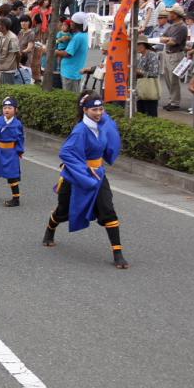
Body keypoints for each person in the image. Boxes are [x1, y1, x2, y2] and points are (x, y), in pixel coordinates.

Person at [41, 92, 129, 269]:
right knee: (64, 210)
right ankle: (49, 230)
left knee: (108, 209)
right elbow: (66, 152)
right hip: (76, 176)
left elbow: (110, 136)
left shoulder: (102, 124)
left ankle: (118, 253)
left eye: (101, 109)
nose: (99, 113)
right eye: (94, 110)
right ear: (85, 110)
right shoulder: (80, 131)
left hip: (98, 175)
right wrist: (85, 169)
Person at [160, 4, 188, 111]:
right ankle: (172, 100)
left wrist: (167, 39)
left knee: (174, 79)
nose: (169, 14)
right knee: (168, 78)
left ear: (176, 15)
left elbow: (173, 42)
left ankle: (175, 102)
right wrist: (167, 39)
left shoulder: (182, 27)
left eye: (171, 13)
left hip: (175, 54)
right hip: (168, 53)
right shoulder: (172, 26)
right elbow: (162, 37)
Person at [56, 12, 89, 92]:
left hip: (71, 73)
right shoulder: (81, 35)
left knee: (70, 96)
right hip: (72, 72)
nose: (70, 23)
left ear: (76, 24)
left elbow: (67, 54)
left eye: (72, 22)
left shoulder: (78, 37)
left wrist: (53, 51)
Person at [135, 35, 161, 117]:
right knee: (140, 111)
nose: (137, 47)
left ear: (144, 45)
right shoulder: (140, 56)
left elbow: (154, 73)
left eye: (139, 44)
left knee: (151, 112)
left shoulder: (152, 55)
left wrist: (139, 71)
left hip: (150, 87)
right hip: (141, 88)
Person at [0, 18, 20, 84]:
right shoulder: (2, 35)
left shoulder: (12, 38)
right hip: (3, 68)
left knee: (7, 89)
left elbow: (18, 53)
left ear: (4, 26)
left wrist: (18, 65)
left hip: (9, 70)